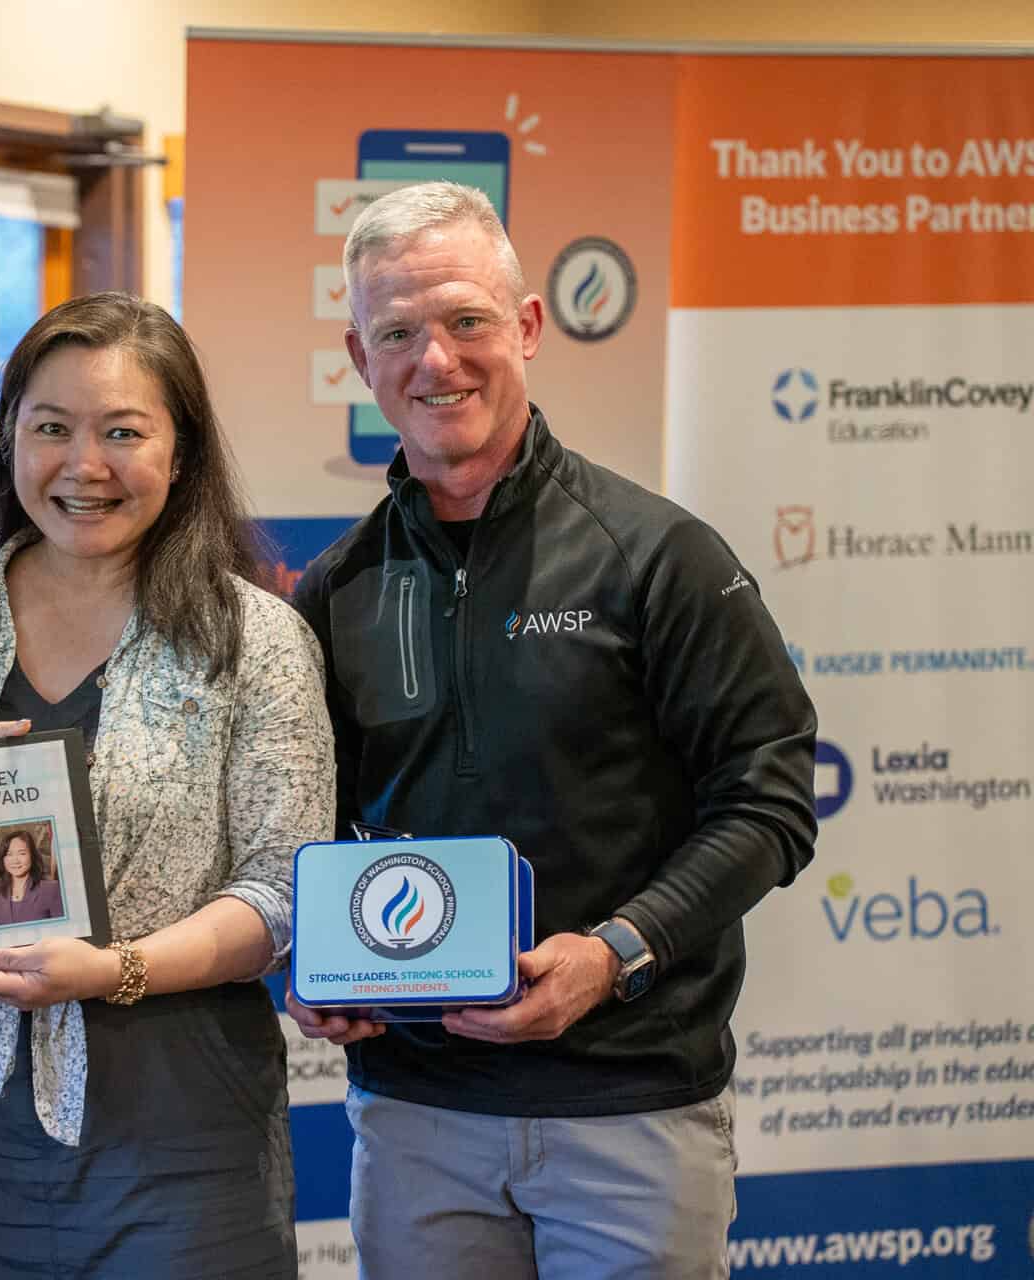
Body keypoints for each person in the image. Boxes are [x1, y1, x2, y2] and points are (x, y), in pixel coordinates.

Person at [287, 181, 818, 1279]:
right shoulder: (336, 588)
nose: (436, 360)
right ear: (358, 354)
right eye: (398, 332)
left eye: (467, 320)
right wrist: (306, 966)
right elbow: (297, 825)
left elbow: (769, 798)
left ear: (527, 326)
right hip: (418, 1118)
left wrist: (615, 952)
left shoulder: (658, 555)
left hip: (630, 1110)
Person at [0, 292, 334, 1278]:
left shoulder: (253, 636)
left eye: (123, 432)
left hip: (187, 1135)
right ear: (10, 440)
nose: (84, 465)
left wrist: (115, 968)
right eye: (51, 428)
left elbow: (286, 888)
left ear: (180, 453)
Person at [0, 828, 65, 925]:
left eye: (22, 853)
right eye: (9, 854)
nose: (15, 860)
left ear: (32, 855)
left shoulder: (51, 889)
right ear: (3, 859)